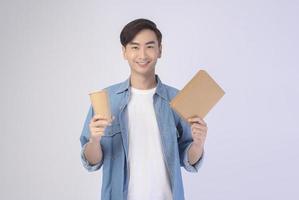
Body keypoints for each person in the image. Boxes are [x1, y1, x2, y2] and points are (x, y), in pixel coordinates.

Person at [80, 18, 208, 200]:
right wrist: (94, 140)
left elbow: (189, 161)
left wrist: (198, 144)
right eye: (134, 47)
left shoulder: (178, 99)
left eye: (149, 46)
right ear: (124, 52)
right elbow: (92, 162)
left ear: (160, 50)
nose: (142, 55)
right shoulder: (106, 99)